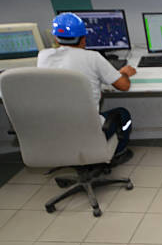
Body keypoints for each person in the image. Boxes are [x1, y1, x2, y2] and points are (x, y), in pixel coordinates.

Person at [37, 12, 136, 162]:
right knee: (123, 114)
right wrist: (124, 73)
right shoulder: (93, 57)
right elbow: (124, 86)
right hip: (88, 131)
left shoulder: (43, 56)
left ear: (56, 38)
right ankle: (118, 153)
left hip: (55, 130)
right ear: (83, 38)